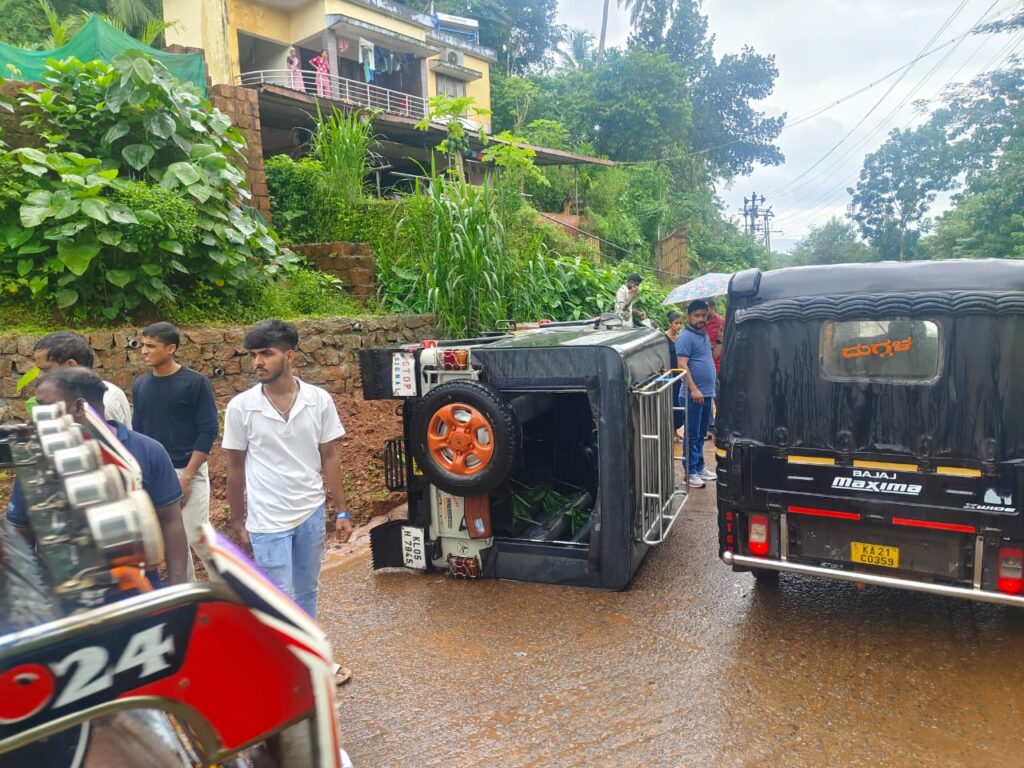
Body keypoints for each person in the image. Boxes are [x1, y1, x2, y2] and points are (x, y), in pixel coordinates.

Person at [6, 367, 189, 585]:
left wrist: (178, 585)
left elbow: (170, 521)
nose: (36, 416)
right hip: (64, 595)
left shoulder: (148, 451)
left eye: (45, 407)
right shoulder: (37, 459)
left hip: (139, 592)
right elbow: (21, 533)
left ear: (79, 407)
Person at [223, 319, 354, 620]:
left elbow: (330, 456)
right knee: (276, 598)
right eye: (253, 355)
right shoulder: (241, 407)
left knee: (307, 590)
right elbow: (234, 466)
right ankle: (282, 649)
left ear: (290, 356)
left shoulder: (318, 400)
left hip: (311, 511)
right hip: (267, 518)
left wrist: (342, 511)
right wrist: (238, 520)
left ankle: (306, 648)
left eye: (266, 354)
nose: (257, 362)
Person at [132, 322, 219, 582]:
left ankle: (228, 590)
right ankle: (189, 595)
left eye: (151, 346)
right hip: (157, 474)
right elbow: (139, 432)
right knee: (173, 542)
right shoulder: (141, 385)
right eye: (142, 345)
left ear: (171, 348)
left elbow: (208, 430)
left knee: (197, 534)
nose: (144, 351)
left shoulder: (195, 383)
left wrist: (188, 476)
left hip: (188, 468)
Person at [32, 331, 131, 425]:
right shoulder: (63, 397)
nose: (39, 376)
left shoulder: (104, 402)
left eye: (46, 370)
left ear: (70, 366)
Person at [675, 300, 717, 488]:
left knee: (701, 434)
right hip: (692, 395)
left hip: (706, 393)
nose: (701, 319)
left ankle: (699, 467)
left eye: (703, 315)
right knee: (691, 435)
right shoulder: (685, 337)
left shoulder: (703, 335)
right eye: (697, 315)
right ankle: (690, 472)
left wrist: (720, 340)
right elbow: (681, 365)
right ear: (688, 316)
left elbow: (711, 357)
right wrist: (693, 389)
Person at [703, 298, 725, 438]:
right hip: (705, 365)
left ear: (711, 308)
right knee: (707, 398)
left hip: (718, 365)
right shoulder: (701, 323)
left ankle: (721, 425)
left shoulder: (722, 322)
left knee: (719, 397)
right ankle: (709, 426)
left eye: (706, 310)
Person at [665, 311, 685, 434]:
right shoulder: (663, 338)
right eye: (676, 323)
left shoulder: (680, 338)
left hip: (679, 374)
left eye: (680, 323)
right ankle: (670, 431)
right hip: (668, 374)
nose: (678, 326)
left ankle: (676, 430)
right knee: (669, 401)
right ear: (670, 324)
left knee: (678, 401)